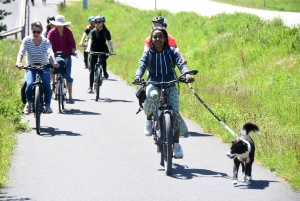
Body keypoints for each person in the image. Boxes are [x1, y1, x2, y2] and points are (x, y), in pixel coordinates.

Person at [134, 27, 194, 158]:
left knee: (175, 112)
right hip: (153, 83)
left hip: (170, 84)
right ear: (151, 40)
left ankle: (176, 144)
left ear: (165, 39)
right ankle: (149, 119)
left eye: (160, 36)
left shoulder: (171, 52)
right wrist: (138, 76)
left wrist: (187, 74)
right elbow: (142, 65)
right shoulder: (148, 54)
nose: (157, 39)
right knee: (152, 95)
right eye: (155, 37)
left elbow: (180, 64)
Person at [16, 21, 59, 114]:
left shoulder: (45, 41)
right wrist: (18, 62)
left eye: (38, 32)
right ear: (31, 30)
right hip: (31, 66)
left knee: (47, 84)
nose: (36, 34)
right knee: (29, 84)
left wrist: (54, 62)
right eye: (34, 31)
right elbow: (21, 52)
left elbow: (50, 52)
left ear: (41, 31)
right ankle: (29, 103)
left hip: (44, 66)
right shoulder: (27, 40)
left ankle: (47, 105)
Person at [48, 15, 77, 104]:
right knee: (53, 69)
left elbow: (72, 43)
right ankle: (53, 84)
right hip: (55, 56)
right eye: (58, 24)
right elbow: (48, 43)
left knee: (67, 76)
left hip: (66, 55)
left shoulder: (68, 32)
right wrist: (48, 52)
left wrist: (73, 51)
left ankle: (70, 96)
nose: (60, 26)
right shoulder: (52, 32)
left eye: (61, 24)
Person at [85, 15, 115, 93]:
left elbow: (109, 41)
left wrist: (111, 50)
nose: (97, 23)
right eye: (96, 22)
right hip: (93, 50)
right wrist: (88, 48)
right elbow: (90, 40)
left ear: (102, 23)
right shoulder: (93, 31)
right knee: (91, 70)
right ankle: (90, 87)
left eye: (99, 22)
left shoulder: (106, 31)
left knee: (102, 59)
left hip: (103, 49)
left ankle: (104, 72)